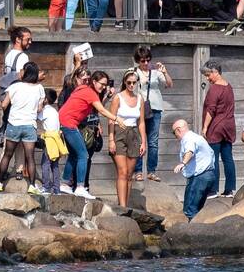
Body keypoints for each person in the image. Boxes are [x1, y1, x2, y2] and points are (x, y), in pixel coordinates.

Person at [58, 70, 116, 200]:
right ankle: (79, 187)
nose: (104, 87)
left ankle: (64, 184)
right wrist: (117, 119)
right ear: (94, 82)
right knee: (83, 155)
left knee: (74, 154)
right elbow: (101, 109)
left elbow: (96, 107)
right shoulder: (89, 92)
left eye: (106, 85)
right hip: (69, 123)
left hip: (64, 121)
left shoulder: (83, 89)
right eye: (102, 84)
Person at [0, 62, 45, 195]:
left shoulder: (14, 86)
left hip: (14, 124)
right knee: (30, 157)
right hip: (29, 126)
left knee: (7, 155)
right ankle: (32, 185)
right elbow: (39, 108)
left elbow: (4, 105)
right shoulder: (39, 88)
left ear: (25, 72)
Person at [106, 70, 147, 208]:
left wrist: (143, 142)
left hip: (134, 133)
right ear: (124, 82)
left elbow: (141, 122)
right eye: (129, 82)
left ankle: (126, 205)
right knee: (122, 171)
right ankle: (122, 206)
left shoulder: (140, 98)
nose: (131, 85)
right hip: (119, 132)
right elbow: (111, 119)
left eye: (134, 82)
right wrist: (111, 139)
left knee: (130, 174)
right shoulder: (118, 97)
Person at [131, 45, 172, 181]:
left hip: (155, 108)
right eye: (143, 61)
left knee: (153, 141)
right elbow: (127, 86)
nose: (146, 63)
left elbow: (169, 85)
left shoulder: (155, 71)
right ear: (138, 61)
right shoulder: (133, 72)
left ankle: (151, 171)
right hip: (139, 108)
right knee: (138, 140)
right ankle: (137, 170)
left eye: (148, 60)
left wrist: (165, 72)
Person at [200, 60, 236, 197]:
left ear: (216, 72)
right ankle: (229, 189)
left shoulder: (215, 88)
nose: (207, 78)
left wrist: (205, 128)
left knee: (213, 158)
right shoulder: (229, 86)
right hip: (229, 126)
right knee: (228, 158)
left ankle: (213, 190)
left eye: (208, 75)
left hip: (216, 127)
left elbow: (211, 110)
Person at [172, 119, 217, 220]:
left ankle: (189, 232)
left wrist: (183, 163)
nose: (175, 137)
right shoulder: (197, 137)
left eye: (174, 133)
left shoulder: (189, 138)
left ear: (178, 130)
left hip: (199, 177)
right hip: (208, 175)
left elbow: (189, 151)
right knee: (197, 209)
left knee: (189, 209)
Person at [36, 87, 63, 195]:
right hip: (57, 139)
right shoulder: (54, 111)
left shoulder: (45, 110)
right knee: (55, 165)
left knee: (45, 164)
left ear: (45, 99)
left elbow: (35, 116)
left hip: (50, 140)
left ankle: (46, 187)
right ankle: (57, 189)